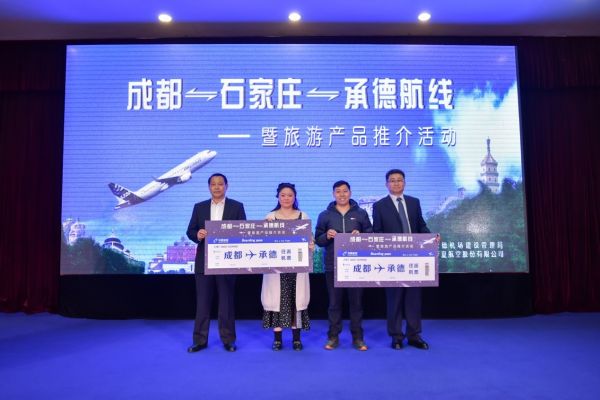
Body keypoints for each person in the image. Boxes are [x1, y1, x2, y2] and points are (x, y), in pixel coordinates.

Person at [186, 173, 247, 353]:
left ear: (227, 186)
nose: (217, 187)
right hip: (204, 262)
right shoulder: (199, 207)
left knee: (226, 303)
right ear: (209, 187)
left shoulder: (237, 206)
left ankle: (228, 340)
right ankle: (199, 341)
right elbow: (190, 231)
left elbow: (244, 231)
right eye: (213, 184)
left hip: (227, 261)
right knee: (202, 304)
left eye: (220, 184)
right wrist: (197, 235)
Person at [372, 169, 431, 350]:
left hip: (414, 258)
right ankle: (396, 336)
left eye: (399, 180)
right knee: (394, 299)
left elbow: (421, 226)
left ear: (404, 183)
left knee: (414, 299)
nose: (396, 183)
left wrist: (431, 237)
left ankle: (414, 335)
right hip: (393, 259)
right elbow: (377, 232)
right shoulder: (379, 206)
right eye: (392, 180)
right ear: (386, 184)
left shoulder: (414, 202)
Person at [315, 180, 373, 351]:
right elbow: (318, 239)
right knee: (334, 304)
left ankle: (358, 338)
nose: (342, 194)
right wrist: (327, 235)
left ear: (350, 192)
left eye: (345, 191)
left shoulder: (361, 213)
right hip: (333, 266)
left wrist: (360, 235)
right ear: (333, 194)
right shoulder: (325, 215)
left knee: (356, 304)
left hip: (356, 264)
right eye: (338, 191)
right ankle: (333, 337)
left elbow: (370, 235)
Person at [261, 183, 313, 351]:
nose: (286, 198)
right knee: (276, 301)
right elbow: (261, 242)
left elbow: (310, 239)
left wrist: (311, 244)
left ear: (294, 197)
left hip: (296, 268)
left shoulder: (303, 216)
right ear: (278, 197)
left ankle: (296, 339)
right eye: (283, 195)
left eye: (290, 195)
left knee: (296, 302)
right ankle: (277, 340)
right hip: (276, 270)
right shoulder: (270, 217)